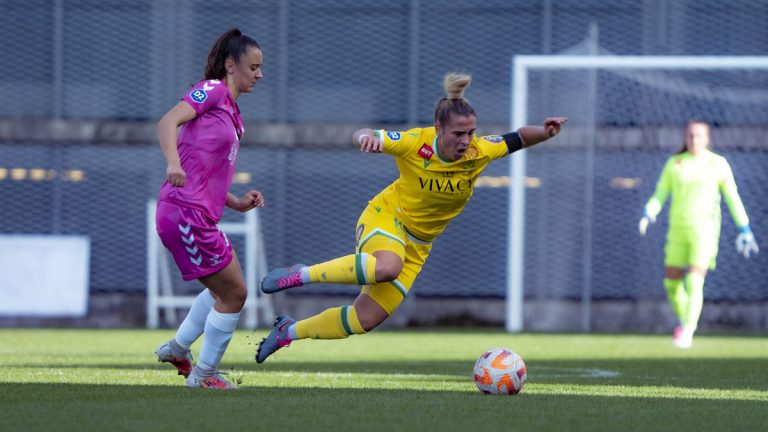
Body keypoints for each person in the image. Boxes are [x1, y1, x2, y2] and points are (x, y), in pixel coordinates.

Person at [255, 72, 567, 363]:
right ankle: (301, 274)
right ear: (439, 127)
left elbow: (519, 138)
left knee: (364, 319)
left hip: (419, 245)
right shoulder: (415, 143)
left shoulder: (479, 151)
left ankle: (288, 332)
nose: (466, 140)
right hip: (387, 218)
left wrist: (546, 132)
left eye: (471, 132)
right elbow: (362, 132)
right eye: (459, 133)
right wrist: (367, 139)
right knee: (388, 266)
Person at [153, 28, 265, 389]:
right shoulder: (213, 90)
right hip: (184, 211)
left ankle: (178, 348)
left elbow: (209, 174)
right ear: (231, 66)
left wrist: (236, 201)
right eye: (254, 67)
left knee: (224, 290)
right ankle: (203, 375)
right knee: (235, 293)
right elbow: (167, 122)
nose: (259, 74)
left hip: (195, 212)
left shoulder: (234, 114)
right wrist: (173, 163)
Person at [638, 120, 759, 348]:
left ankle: (687, 331)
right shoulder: (675, 163)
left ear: (708, 139)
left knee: (694, 280)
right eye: (691, 136)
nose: (694, 140)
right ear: (685, 138)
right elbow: (660, 193)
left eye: (699, 136)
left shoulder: (718, 164)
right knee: (671, 284)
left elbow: (732, 197)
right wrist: (649, 212)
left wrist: (745, 227)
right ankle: (685, 320)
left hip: (704, 231)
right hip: (677, 231)